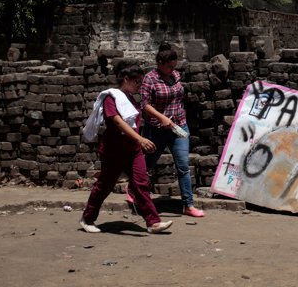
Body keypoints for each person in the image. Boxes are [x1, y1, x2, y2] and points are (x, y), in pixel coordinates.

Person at [80, 62, 173, 234]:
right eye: (136, 82)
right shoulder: (111, 97)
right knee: (105, 185)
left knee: (141, 183)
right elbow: (117, 121)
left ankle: (153, 222)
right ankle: (88, 218)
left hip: (132, 149)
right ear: (126, 79)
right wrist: (140, 138)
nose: (139, 86)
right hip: (113, 149)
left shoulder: (131, 99)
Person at [139, 43, 205, 218]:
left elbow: (178, 97)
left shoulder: (175, 75)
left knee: (183, 166)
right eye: (169, 66)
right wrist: (162, 117)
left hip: (179, 127)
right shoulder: (150, 79)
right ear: (159, 63)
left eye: (174, 66)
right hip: (157, 130)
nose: (172, 69)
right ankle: (135, 190)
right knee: (147, 165)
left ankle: (188, 205)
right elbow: (144, 104)